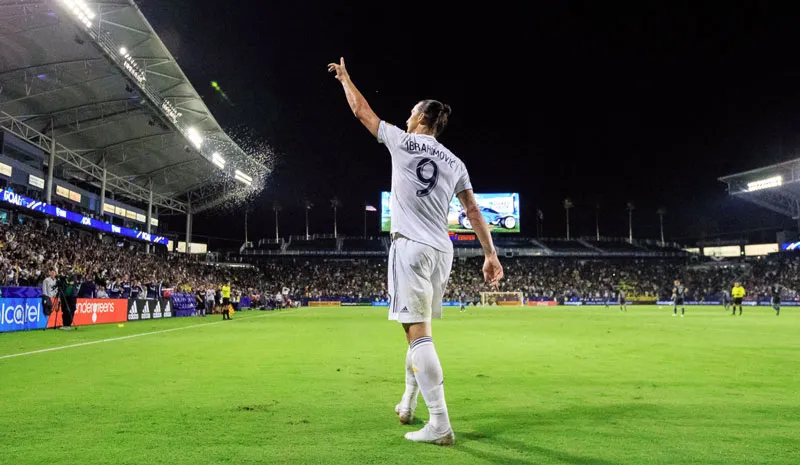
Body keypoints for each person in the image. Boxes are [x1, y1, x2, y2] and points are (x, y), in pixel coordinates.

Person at [329, 57, 503, 445]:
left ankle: (440, 423)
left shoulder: (401, 140)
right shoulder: (456, 162)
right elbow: (472, 210)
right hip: (443, 251)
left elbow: (361, 111)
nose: (406, 117)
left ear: (423, 118)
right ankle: (408, 399)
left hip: (410, 248)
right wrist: (490, 255)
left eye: (411, 112)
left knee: (418, 334)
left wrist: (345, 78)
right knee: (414, 331)